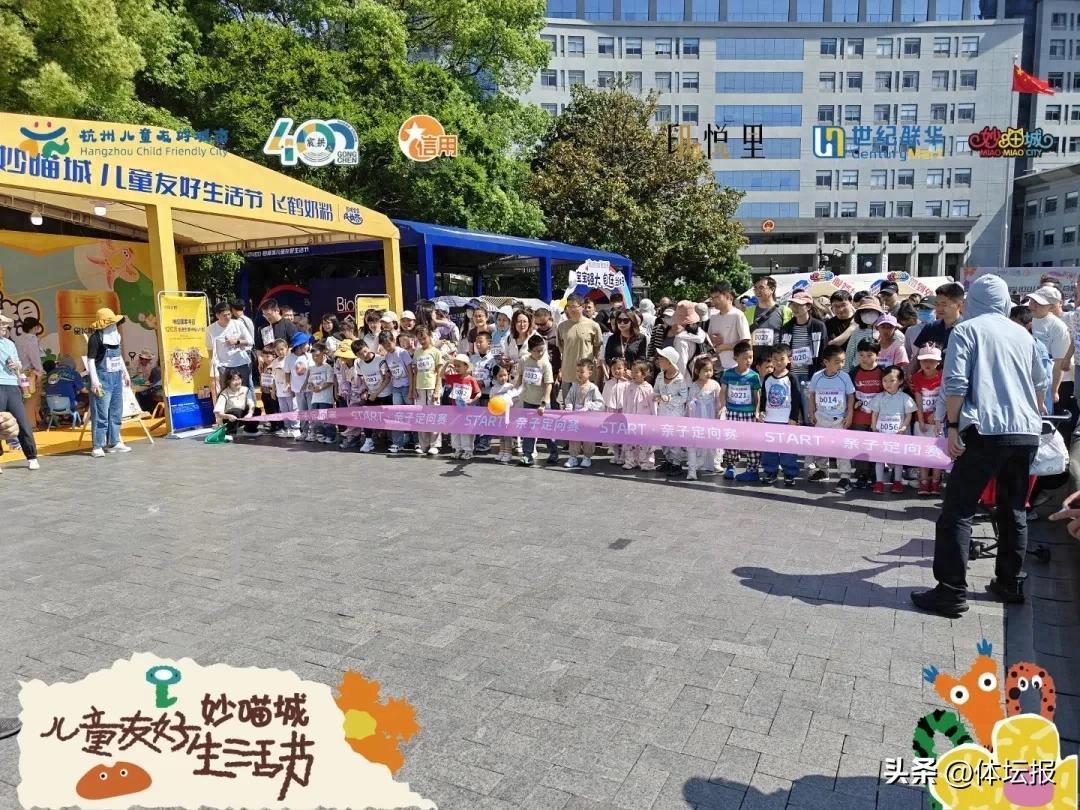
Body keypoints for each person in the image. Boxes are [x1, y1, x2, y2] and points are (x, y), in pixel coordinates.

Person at [911, 275, 1048, 618]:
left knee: (958, 510)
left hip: (985, 429)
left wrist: (952, 426)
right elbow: (1041, 382)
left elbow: (955, 382)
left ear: (971, 301)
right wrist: (1032, 414)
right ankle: (1009, 583)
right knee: (1014, 508)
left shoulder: (966, 330)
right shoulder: (1023, 333)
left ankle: (951, 591)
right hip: (1025, 431)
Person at [83, 307, 132, 459]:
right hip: (102, 380)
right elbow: (91, 361)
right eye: (110, 323)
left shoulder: (116, 336)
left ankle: (114, 442)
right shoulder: (95, 339)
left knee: (116, 411)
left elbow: (118, 357)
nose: (113, 325)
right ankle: (98, 446)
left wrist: (125, 373)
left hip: (116, 379)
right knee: (101, 414)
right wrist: (95, 382)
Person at [807, 345, 855, 491]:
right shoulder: (817, 376)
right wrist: (812, 412)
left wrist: (850, 414)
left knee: (841, 447)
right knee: (821, 445)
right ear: (826, 362)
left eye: (843, 361)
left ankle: (845, 477)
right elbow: (812, 394)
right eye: (837, 362)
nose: (841, 365)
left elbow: (850, 396)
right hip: (821, 417)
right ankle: (823, 470)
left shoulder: (844, 377)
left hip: (838, 419)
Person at [758, 344, 803, 487]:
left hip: (786, 421)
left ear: (789, 359)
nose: (778, 362)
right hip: (770, 420)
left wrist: (794, 418)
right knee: (769, 449)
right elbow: (764, 396)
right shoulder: (767, 378)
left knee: (787, 449)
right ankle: (770, 472)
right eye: (775, 359)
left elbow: (796, 398)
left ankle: (789, 473)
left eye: (782, 359)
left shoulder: (791, 378)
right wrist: (761, 412)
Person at [0, 314, 39, 469]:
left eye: (5, 323)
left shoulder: (10, 343)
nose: (4, 326)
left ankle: (32, 456)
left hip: (12, 385)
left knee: (23, 421)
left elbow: (19, 365)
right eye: (1, 323)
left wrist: (17, 365)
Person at [780, 290, 826, 421]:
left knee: (809, 415)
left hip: (810, 376)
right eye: (793, 305)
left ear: (808, 306)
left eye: (799, 305)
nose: (795, 308)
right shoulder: (787, 327)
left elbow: (823, 351)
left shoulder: (818, 326)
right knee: (792, 415)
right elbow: (782, 350)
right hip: (791, 376)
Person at [869, 366, 916, 494]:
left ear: (900, 381)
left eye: (892, 380)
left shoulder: (905, 398)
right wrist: (873, 426)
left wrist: (904, 426)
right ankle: (879, 482)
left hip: (898, 433)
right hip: (882, 433)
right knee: (879, 458)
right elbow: (875, 413)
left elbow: (909, 415)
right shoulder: (879, 397)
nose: (888, 384)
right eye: (885, 380)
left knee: (898, 458)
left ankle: (897, 481)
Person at [719, 341, 761, 482]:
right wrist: (723, 406)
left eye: (750, 357)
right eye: (745, 358)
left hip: (748, 414)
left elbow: (757, 396)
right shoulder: (728, 374)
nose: (748, 361)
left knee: (751, 441)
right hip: (732, 412)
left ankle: (752, 470)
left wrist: (756, 412)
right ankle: (730, 466)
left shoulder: (754, 376)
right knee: (731, 440)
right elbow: (723, 391)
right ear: (735, 358)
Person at [1025, 285, 1069, 413]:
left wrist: (1054, 390)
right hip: (1028, 376)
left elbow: (1059, 362)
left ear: (1051, 306)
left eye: (1038, 303)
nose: (1032, 305)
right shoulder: (1030, 319)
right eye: (1032, 301)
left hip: (1047, 381)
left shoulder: (1058, 327)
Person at [849, 339, 885, 489]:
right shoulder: (853, 372)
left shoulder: (883, 372)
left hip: (879, 419)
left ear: (877, 355)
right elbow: (849, 395)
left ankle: (876, 475)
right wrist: (852, 408)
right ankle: (862, 474)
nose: (865, 358)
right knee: (861, 445)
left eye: (869, 355)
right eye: (861, 355)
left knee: (876, 446)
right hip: (859, 418)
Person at [556, 294, 603, 405]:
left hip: (587, 374)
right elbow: (561, 348)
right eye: (569, 306)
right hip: (568, 373)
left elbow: (597, 347)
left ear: (582, 307)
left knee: (587, 406)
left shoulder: (593, 325)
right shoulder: (562, 326)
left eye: (574, 306)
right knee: (568, 406)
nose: (571, 309)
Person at [910, 344, 944, 496]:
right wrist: (921, 420)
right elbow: (918, 399)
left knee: (937, 453)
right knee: (923, 452)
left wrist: (937, 416)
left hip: (939, 422)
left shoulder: (943, 376)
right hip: (922, 421)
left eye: (932, 360)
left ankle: (936, 482)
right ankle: (923, 482)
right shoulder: (917, 377)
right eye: (924, 361)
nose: (927, 364)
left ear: (938, 362)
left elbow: (945, 398)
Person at [517, 334, 555, 466]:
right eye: (537, 351)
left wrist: (544, 403)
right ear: (529, 350)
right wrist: (512, 391)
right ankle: (527, 455)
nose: (540, 353)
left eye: (542, 350)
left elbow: (548, 384)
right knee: (529, 428)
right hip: (528, 400)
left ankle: (554, 452)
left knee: (546, 429)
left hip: (541, 403)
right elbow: (520, 377)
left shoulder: (545, 364)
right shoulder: (524, 360)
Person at [685, 355, 721, 481]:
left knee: (713, 440)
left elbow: (718, 401)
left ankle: (714, 462)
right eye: (705, 371)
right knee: (695, 442)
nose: (708, 373)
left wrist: (719, 413)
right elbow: (690, 401)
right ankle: (692, 468)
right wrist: (692, 406)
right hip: (697, 417)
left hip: (711, 417)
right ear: (697, 371)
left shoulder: (715, 385)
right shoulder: (694, 386)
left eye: (710, 370)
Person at [563, 358, 604, 468]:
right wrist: (569, 405)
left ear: (589, 373)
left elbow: (600, 403)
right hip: (576, 417)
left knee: (588, 438)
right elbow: (568, 399)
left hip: (588, 418)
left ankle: (587, 457)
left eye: (582, 372)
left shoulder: (593, 388)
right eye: (577, 371)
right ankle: (573, 457)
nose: (579, 374)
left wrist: (589, 406)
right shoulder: (574, 386)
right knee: (574, 437)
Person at [911, 283, 965, 364]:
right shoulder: (930, 327)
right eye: (937, 304)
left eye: (944, 304)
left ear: (959, 305)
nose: (939, 308)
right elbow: (917, 357)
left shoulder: (967, 329)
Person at [207, 301, 254, 393]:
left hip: (241, 363)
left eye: (229, 314)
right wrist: (213, 369)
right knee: (226, 392)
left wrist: (237, 342)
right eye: (224, 315)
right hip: (223, 366)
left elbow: (250, 341)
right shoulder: (210, 330)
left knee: (244, 391)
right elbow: (210, 350)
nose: (228, 317)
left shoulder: (238, 324)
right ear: (217, 315)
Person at [410, 327, 444, 456]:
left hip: (432, 387)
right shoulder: (417, 353)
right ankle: (423, 444)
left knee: (434, 416)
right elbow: (415, 372)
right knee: (421, 416)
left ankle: (435, 444)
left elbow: (439, 373)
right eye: (420, 339)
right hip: (420, 387)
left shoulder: (436, 352)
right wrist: (414, 389)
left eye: (424, 338)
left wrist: (437, 390)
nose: (422, 341)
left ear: (429, 336)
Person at [443, 354, 481, 460]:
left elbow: (478, 393)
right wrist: (447, 363)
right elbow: (442, 375)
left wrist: (472, 400)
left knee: (465, 431)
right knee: (455, 430)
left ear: (466, 366)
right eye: (455, 366)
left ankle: (468, 451)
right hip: (454, 409)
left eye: (459, 366)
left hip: (467, 410)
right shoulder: (454, 378)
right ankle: (457, 449)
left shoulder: (471, 379)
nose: (456, 368)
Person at [744, 276, 790, 363]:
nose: (757, 291)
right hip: (755, 362)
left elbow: (789, 336)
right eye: (755, 288)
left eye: (761, 287)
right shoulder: (748, 312)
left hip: (777, 362)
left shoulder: (785, 310)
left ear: (772, 289)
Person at [708, 282, 751, 372]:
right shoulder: (713, 317)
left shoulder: (738, 315)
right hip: (717, 368)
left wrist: (725, 347)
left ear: (728, 296)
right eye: (712, 298)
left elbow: (746, 343)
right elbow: (709, 340)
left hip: (735, 367)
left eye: (717, 297)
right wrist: (712, 338)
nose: (714, 301)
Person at [622, 360, 656, 471]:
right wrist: (624, 416)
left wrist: (654, 418)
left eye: (636, 372)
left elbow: (653, 404)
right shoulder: (629, 387)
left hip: (644, 420)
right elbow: (625, 402)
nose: (633, 374)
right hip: (631, 419)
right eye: (632, 371)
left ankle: (645, 462)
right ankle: (630, 461)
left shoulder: (648, 388)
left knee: (644, 441)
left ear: (644, 374)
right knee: (631, 440)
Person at [13, 316, 44, 427]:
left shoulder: (18, 339)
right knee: (31, 399)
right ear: (35, 327)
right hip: (30, 374)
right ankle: (30, 424)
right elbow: (35, 358)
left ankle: (25, 423)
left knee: (24, 398)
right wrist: (40, 372)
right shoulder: (32, 339)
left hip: (19, 373)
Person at [285, 332, 313, 441]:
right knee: (302, 411)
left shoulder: (309, 356)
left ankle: (312, 432)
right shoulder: (289, 358)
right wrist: (288, 384)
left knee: (311, 410)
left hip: (309, 389)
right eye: (306, 344)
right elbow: (287, 372)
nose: (308, 345)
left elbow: (311, 371)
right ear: (299, 346)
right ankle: (305, 431)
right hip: (297, 389)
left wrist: (305, 384)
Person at [213, 369, 255, 441]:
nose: (237, 382)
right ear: (228, 381)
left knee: (256, 410)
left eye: (239, 379)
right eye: (234, 380)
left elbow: (251, 404)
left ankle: (249, 430)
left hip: (240, 417)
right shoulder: (224, 394)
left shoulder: (246, 390)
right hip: (228, 419)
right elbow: (218, 413)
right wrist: (228, 416)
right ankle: (229, 432)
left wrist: (250, 413)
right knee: (236, 411)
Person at [602, 356, 630, 465]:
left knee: (623, 433)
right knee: (613, 432)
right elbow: (604, 399)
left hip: (623, 411)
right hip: (611, 411)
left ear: (625, 369)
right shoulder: (608, 383)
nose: (617, 371)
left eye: (619, 368)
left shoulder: (628, 384)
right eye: (614, 368)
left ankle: (623, 455)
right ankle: (615, 454)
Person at [307, 342, 337, 443]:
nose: (315, 358)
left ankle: (331, 435)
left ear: (323, 355)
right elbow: (310, 382)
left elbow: (330, 381)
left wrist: (320, 387)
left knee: (327, 418)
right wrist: (311, 387)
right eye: (313, 356)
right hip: (315, 398)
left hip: (326, 398)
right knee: (317, 418)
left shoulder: (327, 367)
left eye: (317, 356)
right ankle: (322, 434)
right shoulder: (312, 368)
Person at [604, 310, 648, 376]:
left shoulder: (641, 338)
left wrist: (632, 371)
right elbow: (607, 358)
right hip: (616, 375)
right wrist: (617, 369)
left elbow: (641, 359)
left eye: (625, 320)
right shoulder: (612, 338)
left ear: (632, 321)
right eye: (619, 320)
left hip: (633, 376)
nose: (622, 323)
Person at [844, 298, 882, 372]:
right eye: (865, 311)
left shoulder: (884, 331)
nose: (868, 314)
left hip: (878, 372)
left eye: (872, 311)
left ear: (879, 313)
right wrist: (846, 372)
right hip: (858, 370)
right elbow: (849, 353)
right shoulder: (857, 332)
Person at [488, 364, 517, 464]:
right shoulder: (494, 389)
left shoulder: (510, 387)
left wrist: (510, 403)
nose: (503, 378)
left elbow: (515, 399)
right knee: (501, 435)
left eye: (505, 375)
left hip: (508, 415)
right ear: (495, 377)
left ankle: (508, 453)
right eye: (500, 376)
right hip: (499, 416)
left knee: (507, 435)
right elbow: (491, 400)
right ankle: (502, 451)